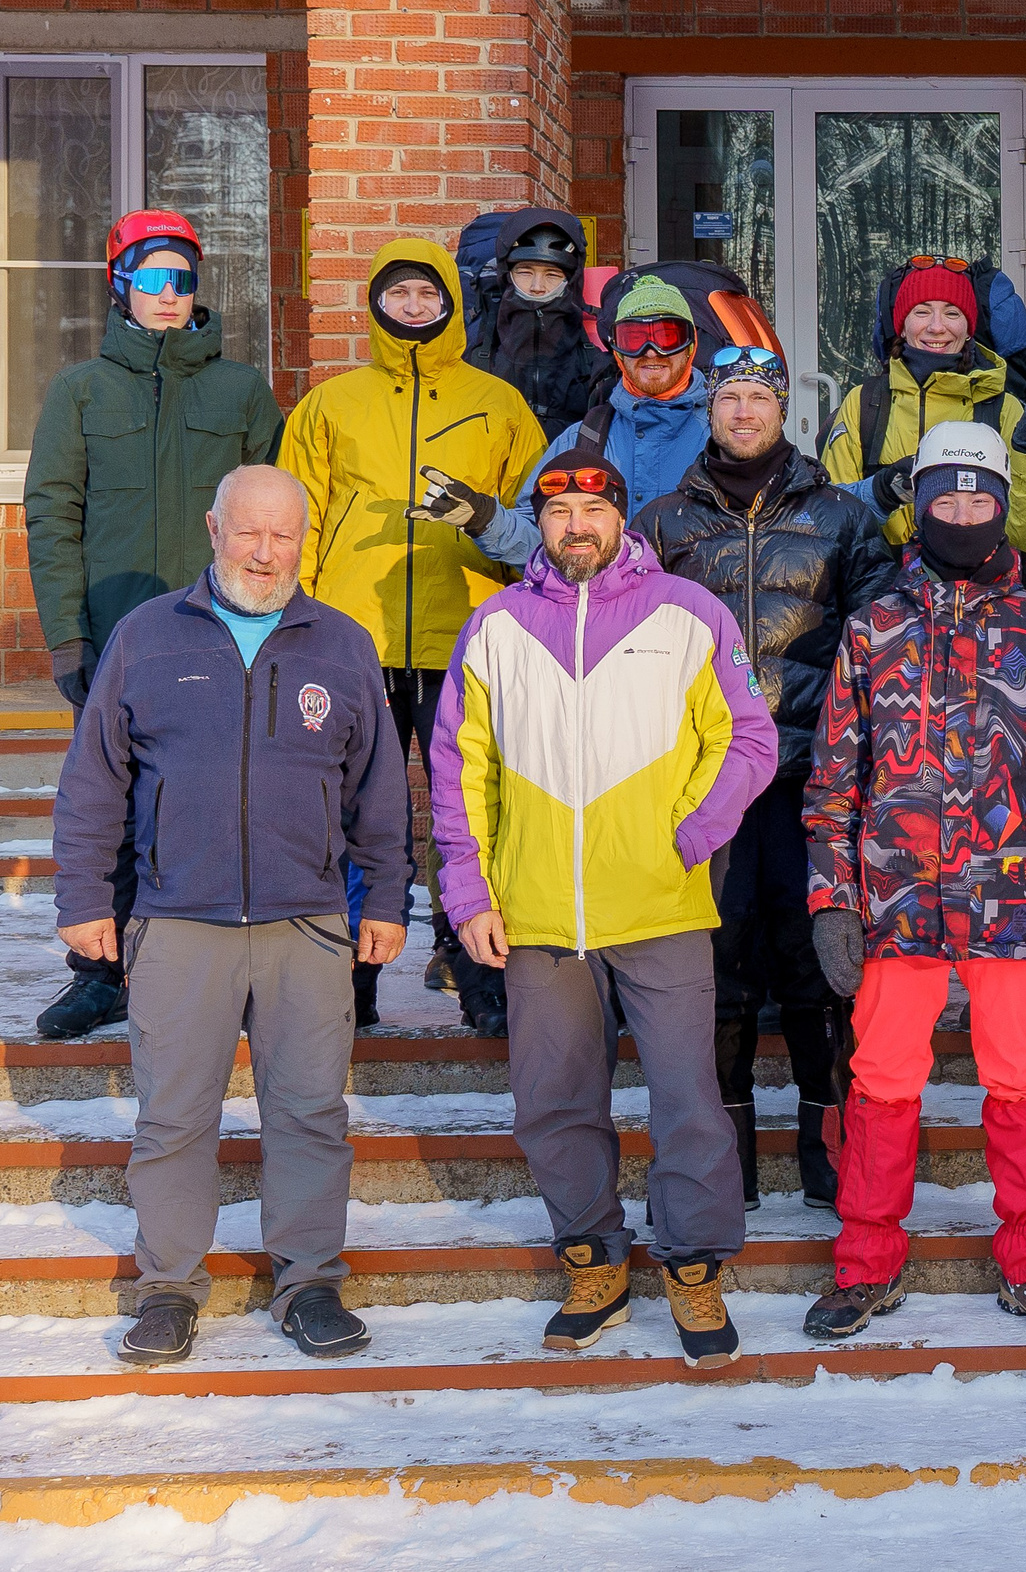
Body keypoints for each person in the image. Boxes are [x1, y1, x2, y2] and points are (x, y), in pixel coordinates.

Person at [51, 465, 409, 1366]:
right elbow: (94, 781)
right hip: (179, 922)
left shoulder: (341, 644)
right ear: (214, 527)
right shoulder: (147, 637)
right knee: (173, 1116)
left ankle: (310, 1282)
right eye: (248, 531)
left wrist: (391, 898)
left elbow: (380, 792)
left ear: (304, 538)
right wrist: (85, 899)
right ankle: (168, 1288)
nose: (264, 551)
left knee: (309, 1111)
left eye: (282, 534)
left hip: (309, 923)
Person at [431, 450, 780, 1367]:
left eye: (593, 509)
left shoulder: (689, 615)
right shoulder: (495, 627)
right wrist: (468, 890)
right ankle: (594, 1260)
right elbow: (458, 770)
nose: (576, 525)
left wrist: (693, 833)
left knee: (689, 1101)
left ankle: (695, 1269)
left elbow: (749, 735)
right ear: (536, 526)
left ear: (622, 519)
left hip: (661, 906)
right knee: (553, 1100)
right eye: (558, 513)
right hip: (539, 915)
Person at [801, 423, 1026, 1341]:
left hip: (1010, 907)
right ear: (920, 505)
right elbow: (832, 783)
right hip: (895, 903)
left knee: (1020, 1077)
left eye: (981, 500)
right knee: (882, 1079)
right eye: (948, 498)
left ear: (1002, 510)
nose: (965, 515)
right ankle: (865, 1262)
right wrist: (832, 901)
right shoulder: (873, 627)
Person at [636, 343, 894, 1213]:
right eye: (730, 397)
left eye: (759, 396)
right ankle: (724, 1158)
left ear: (785, 409)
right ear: (708, 410)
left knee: (819, 964)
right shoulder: (664, 522)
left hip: (814, 781)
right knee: (717, 964)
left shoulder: (841, 520)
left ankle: (831, 1152)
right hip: (709, 781)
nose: (744, 411)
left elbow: (878, 650)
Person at [23, 209, 286, 1040]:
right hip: (117, 637)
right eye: (150, 278)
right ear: (119, 284)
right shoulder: (80, 391)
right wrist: (67, 633)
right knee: (112, 803)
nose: (169, 295)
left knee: (228, 798)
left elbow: (276, 512)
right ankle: (100, 974)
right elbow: (52, 513)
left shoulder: (240, 389)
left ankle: (232, 973)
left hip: (227, 634)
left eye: (182, 279)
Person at [280, 239, 544, 1033]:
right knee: (350, 806)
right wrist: (293, 621)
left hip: (466, 632)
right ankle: (349, 976)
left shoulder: (498, 403)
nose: (414, 306)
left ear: (451, 303)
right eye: (398, 294)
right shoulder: (332, 404)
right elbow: (299, 516)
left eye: (427, 294)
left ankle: (477, 967)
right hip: (352, 637)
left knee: (472, 807)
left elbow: (531, 523)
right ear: (375, 304)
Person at [442, 274, 716, 567]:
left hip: (693, 608)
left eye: (667, 337)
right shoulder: (585, 440)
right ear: (618, 352)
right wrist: (485, 520)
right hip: (600, 608)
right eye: (633, 339)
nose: (650, 351)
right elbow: (541, 540)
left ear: (690, 346)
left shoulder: (720, 437)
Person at [818, 259, 1026, 554]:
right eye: (921, 312)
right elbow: (830, 523)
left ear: (969, 328)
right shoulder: (864, 403)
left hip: (979, 592)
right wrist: (882, 492)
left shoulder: (1001, 408)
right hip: (881, 589)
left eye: (952, 313)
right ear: (902, 327)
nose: (936, 326)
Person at [467, 208, 600, 440]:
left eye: (552, 274)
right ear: (507, 274)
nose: (537, 286)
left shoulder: (596, 357)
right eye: (525, 272)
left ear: (570, 280)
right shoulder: (476, 348)